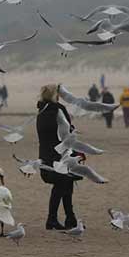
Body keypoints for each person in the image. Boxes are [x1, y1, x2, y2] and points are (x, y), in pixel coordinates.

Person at [36, 84, 79, 231]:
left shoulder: (41, 111)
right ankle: (52, 219)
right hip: (58, 156)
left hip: (45, 157)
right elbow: (66, 133)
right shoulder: (58, 110)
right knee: (63, 184)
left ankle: (70, 218)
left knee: (66, 183)